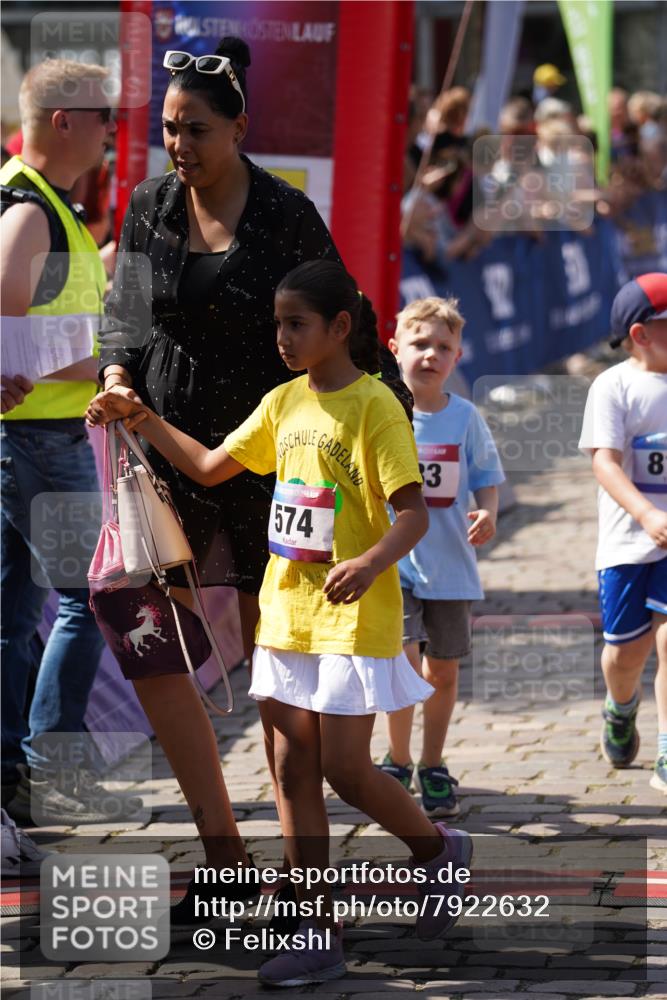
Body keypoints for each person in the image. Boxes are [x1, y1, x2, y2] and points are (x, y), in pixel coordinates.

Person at [86, 260, 474, 986]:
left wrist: (368, 565)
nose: (283, 338)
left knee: (345, 770)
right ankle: (315, 930)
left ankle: (435, 849)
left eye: (297, 324)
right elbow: (206, 467)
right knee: (293, 768)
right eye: (277, 324)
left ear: (339, 328)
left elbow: (413, 514)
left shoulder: (374, 407)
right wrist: (139, 416)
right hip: (286, 612)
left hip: (353, 617)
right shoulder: (281, 401)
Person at [97, 35, 403, 922]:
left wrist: (386, 447)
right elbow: (123, 317)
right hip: (165, 459)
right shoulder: (151, 204)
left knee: (281, 685)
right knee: (144, 632)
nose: (178, 147)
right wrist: (118, 380)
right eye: (167, 130)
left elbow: (350, 322)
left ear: (238, 128)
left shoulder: (282, 215)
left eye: (194, 129)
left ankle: (303, 888)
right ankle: (223, 856)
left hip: (271, 467)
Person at [0, 59, 141, 825]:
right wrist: (105, 368)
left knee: (14, 615)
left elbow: (36, 312)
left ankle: (12, 780)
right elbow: (6, 314)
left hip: (33, 437)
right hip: (38, 438)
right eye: (103, 117)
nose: (112, 132)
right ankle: (50, 763)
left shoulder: (46, 202)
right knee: (95, 597)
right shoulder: (28, 208)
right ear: (64, 121)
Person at [378, 297, 504, 817]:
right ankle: (397, 758)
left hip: (451, 566)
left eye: (443, 347)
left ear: (457, 357)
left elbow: (486, 478)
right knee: (404, 661)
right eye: (420, 344)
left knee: (442, 672)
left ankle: (432, 765)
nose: (431, 355)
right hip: (393, 564)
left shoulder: (465, 418)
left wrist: (488, 513)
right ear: (395, 348)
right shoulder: (382, 411)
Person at [578, 273, 667, 793]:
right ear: (642, 333)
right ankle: (621, 705)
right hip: (628, 542)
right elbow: (606, 463)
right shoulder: (613, 386)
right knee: (625, 654)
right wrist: (647, 515)